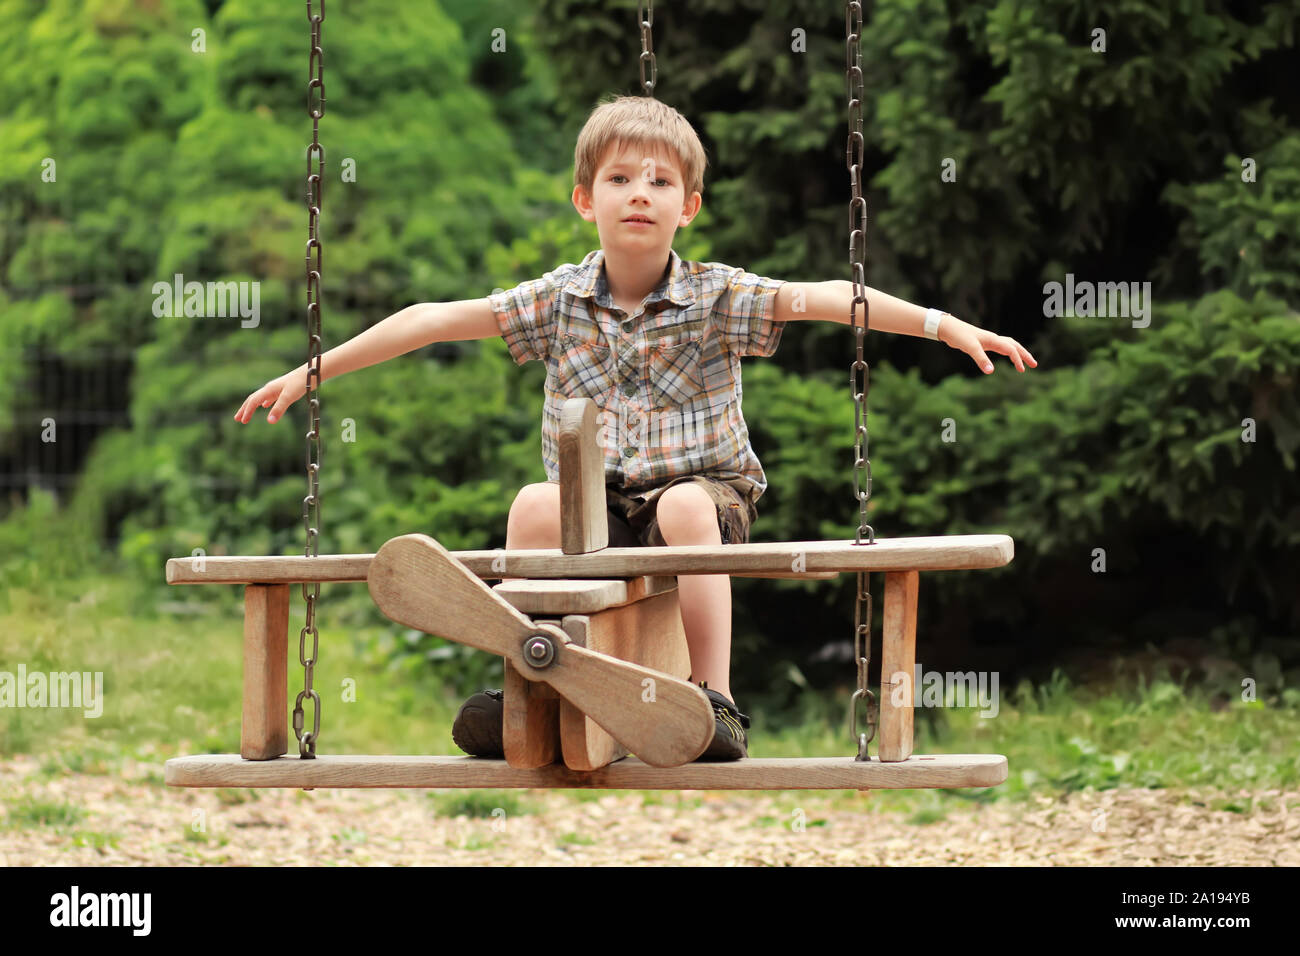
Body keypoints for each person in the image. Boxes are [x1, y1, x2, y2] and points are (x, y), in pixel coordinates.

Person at [234, 94, 1037, 762]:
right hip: (598, 505)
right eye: (620, 178)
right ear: (588, 200)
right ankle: (528, 682)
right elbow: (433, 320)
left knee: (685, 507)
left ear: (688, 206)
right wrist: (315, 371)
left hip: (703, 497)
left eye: (660, 180)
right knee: (532, 505)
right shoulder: (556, 302)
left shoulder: (719, 296)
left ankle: (715, 702)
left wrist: (942, 324)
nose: (640, 192)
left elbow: (828, 296)